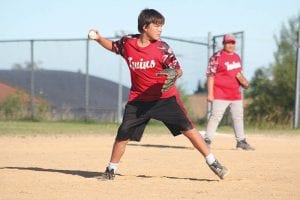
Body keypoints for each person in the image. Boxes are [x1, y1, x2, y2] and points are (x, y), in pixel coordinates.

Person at [89, 8, 229, 180]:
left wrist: (174, 74)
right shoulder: (128, 43)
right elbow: (113, 47)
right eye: (156, 25)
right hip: (138, 100)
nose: (160, 29)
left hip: (164, 98)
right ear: (145, 27)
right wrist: (98, 39)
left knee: (188, 129)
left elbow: (178, 70)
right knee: (123, 134)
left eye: (161, 26)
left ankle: (213, 162)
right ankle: (110, 171)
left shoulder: (162, 48)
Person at [204, 34, 254, 150]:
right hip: (220, 93)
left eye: (232, 43)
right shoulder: (217, 57)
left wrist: (244, 81)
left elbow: (237, 74)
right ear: (224, 44)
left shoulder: (237, 57)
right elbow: (210, 75)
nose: (230, 45)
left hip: (235, 94)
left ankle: (241, 141)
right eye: (228, 43)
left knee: (238, 117)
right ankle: (207, 140)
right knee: (215, 116)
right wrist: (210, 93)